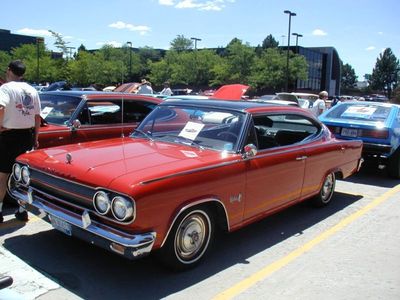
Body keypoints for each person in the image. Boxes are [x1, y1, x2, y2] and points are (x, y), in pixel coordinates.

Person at [0, 60, 41, 223]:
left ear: (9, 71)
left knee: (3, 175)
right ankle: (22, 209)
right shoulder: (32, 90)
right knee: (23, 176)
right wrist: (36, 138)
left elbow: (1, 108)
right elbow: (37, 117)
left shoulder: (5, 88)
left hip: (9, 136)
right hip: (27, 136)